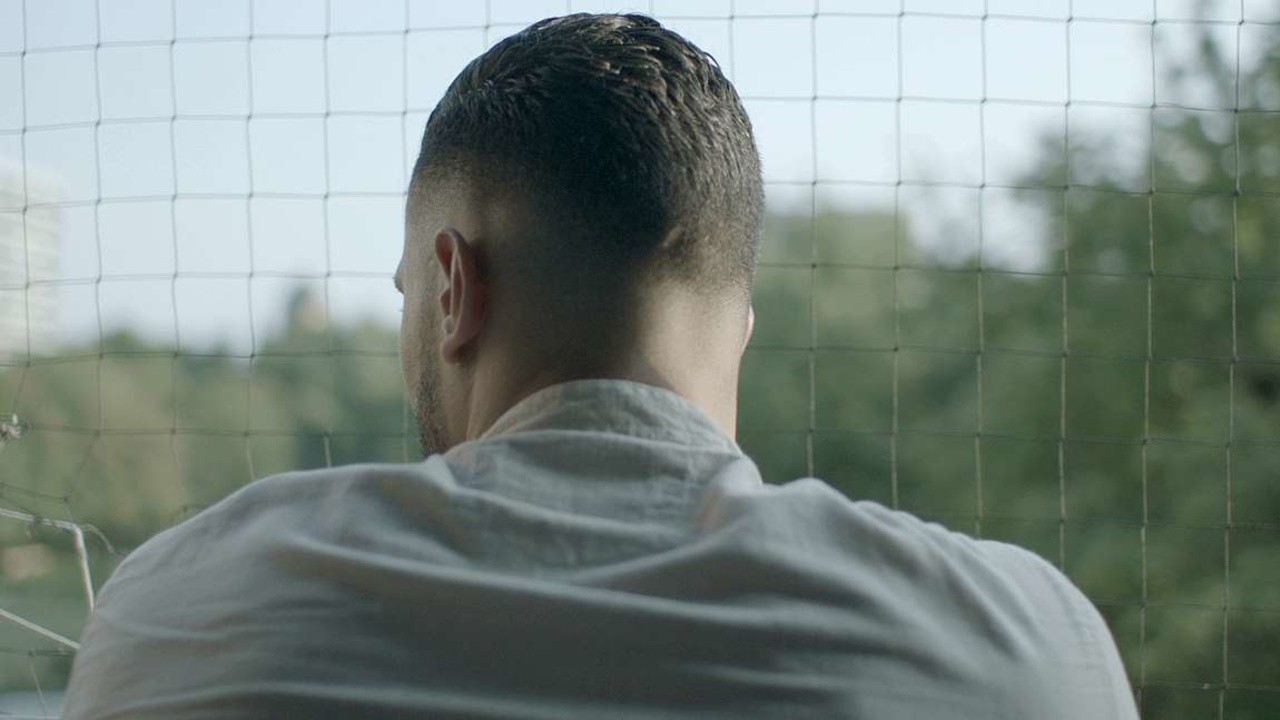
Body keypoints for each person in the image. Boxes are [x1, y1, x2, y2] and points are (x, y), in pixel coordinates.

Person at [63, 13, 1138, 719]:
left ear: (452, 287)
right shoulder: (1028, 653)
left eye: (404, 293)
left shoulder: (186, 617)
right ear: (742, 324)